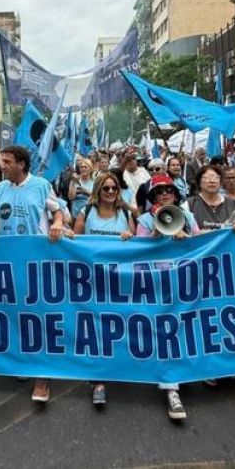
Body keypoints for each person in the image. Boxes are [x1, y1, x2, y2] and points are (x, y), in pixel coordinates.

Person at [0, 145, 65, 404]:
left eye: (7, 161)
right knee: (14, 314)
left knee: (39, 317)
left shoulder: (41, 185)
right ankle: (22, 361)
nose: (2, 166)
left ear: (21, 164)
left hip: (37, 263)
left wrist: (58, 222)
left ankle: (42, 377)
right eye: (2, 161)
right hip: (8, 263)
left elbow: (57, 211)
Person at [134, 173, 198, 420]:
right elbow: (137, 253)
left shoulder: (187, 217)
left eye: (168, 190)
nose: (164, 195)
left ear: (175, 194)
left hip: (183, 282)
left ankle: (181, 375)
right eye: (159, 192)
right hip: (157, 284)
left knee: (185, 329)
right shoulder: (144, 220)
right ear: (153, 197)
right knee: (165, 332)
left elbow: (203, 244)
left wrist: (187, 239)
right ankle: (171, 388)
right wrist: (154, 237)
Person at [71, 171, 135, 407]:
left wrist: (130, 236)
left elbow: (137, 246)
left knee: (118, 324)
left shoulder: (126, 214)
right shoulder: (86, 212)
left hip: (118, 281)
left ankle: (120, 367)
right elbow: (74, 241)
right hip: (92, 280)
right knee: (96, 329)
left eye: (114, 188)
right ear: (97, 190)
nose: (110, 192)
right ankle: (98, 381)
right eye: (105, 188)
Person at [186, 165, 235, 231]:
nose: (212, 181)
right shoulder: (189, 205)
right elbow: (182, 233)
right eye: (207, 178)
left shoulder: (234, 204)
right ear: (199, 182)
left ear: (221, 182)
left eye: (216, 178)